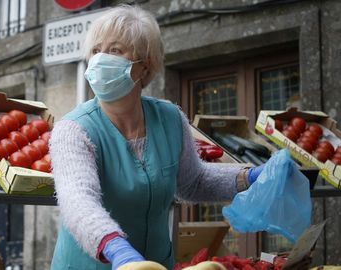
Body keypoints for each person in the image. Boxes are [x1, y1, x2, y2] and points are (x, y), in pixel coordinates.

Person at [49, 5, 264, 270]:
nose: (100, 59)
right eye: (95, 51)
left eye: (115, 50)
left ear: (143, 65)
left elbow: (192, 181)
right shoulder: (73, 129)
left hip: (156, 264)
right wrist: (115, 248)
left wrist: (249, 177)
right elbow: (78, 202)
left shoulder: (170, 118)